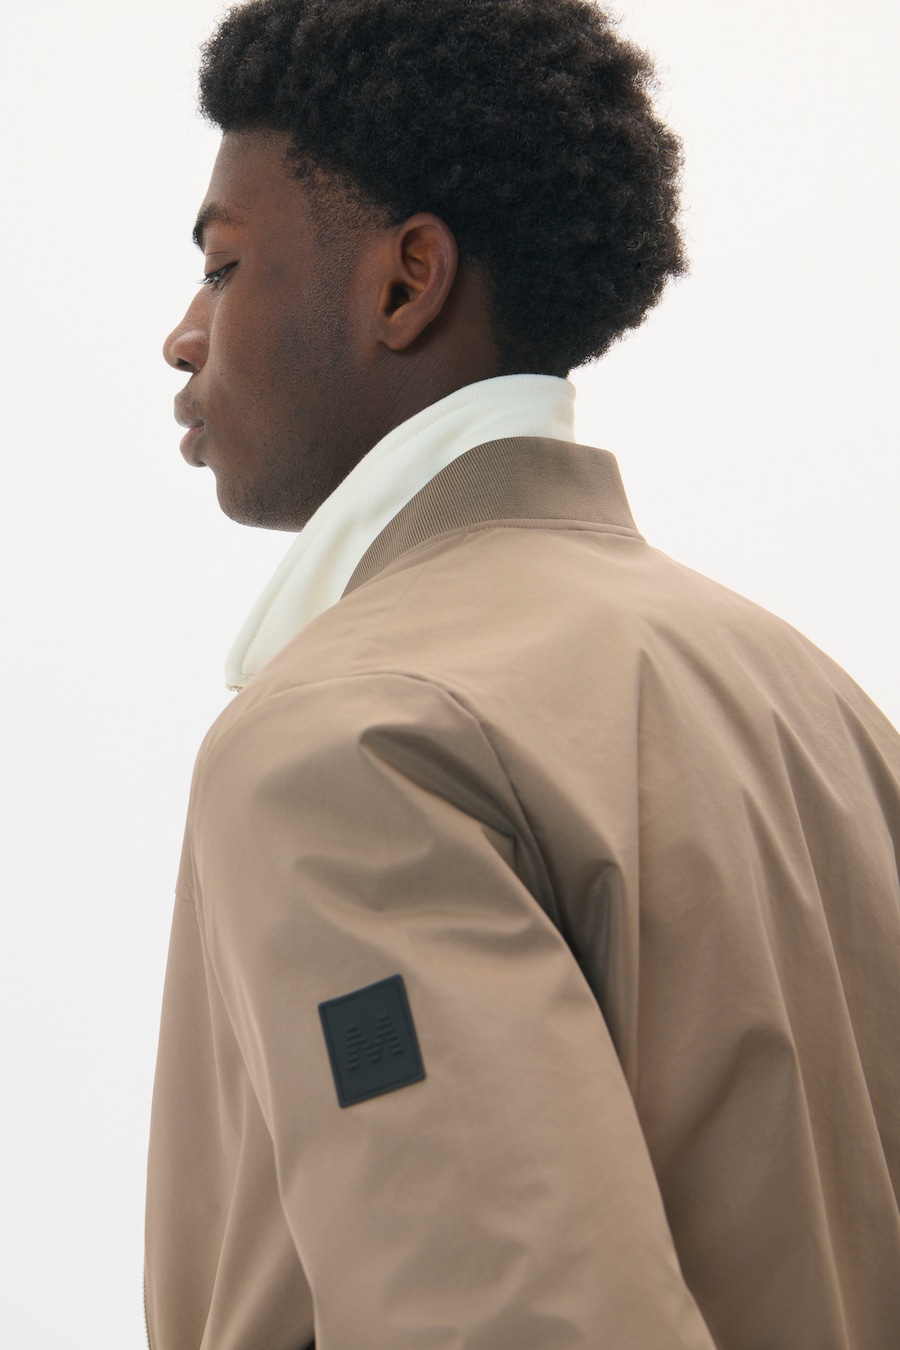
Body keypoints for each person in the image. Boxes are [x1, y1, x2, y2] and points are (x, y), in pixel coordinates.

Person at [145, 1, 900, 1346]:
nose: (184, 335)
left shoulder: (342, 740)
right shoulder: (816, 703)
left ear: (404, 283)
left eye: (222, 266)